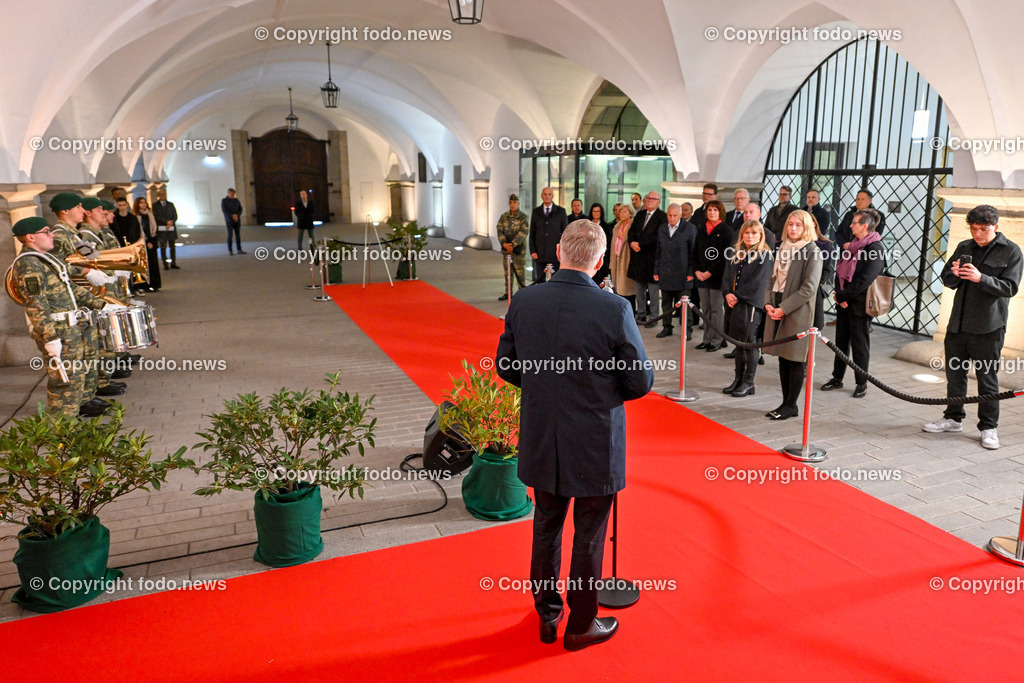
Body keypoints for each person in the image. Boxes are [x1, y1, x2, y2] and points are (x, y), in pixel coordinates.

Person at [495, 219, 654, 651]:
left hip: (543, 433)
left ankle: (548, 616)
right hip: (595, 441)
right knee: (588, 535)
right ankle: (580, 625)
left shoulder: (525, 300)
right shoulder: (614, 308)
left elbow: (506, 366)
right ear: (601, 260)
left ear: (560, 251)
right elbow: (639, 382)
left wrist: (547, 387)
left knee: (545, 528)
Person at [923, 205, 1023, 450]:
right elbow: (947, 280)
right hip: (958, 324)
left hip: (989, 327)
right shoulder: (964, 246)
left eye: (984, 229)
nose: (978, 233)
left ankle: (989, 427)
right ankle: (953, 418)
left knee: (986, 378)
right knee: (954, 375)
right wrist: (955, 274)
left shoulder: (1011, 251)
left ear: (996, 227)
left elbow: (1010, 288)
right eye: (974, 228)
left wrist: (981, 278)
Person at [6, 217, 112, 417]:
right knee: (65, 383)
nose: (51, 234)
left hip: (69, 328)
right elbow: (36, 305)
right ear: (30, 237)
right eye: (46, 231)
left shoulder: (45, 259)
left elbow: (70, 288)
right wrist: (50, 338)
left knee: (76, 377)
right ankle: (62, 430)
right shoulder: (29, 264)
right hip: (58, 331)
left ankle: (72, 422)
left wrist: (103, 304)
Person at [763, 209, 823, 420]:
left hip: (796, 309)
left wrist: (784, 308)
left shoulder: (812, 251)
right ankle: (785, 403)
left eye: (798, 225)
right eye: (791, 224)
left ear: (807, 228)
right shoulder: (782, 248)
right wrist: (768, 303)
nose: (794, 228)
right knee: (782, 356)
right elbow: (771, 278)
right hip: (777, 304)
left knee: (795, 358)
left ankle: (791, 405)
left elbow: (809, 288)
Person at [820, 209, 885, 398]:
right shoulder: (854, 244)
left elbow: (866, 279)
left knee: (859, 345)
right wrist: (840, 296)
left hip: (859, 304)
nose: (850, 225)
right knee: (840, 342)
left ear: (865, 226)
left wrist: (844, 296)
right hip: (844, 301)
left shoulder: (875, 248)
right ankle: (837, 378)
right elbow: (842, 272)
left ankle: (861, 382)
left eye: (854, 223)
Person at [722, 220, 774, 396]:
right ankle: (737, 379)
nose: (750, 236)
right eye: (746, 233)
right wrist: (727, 293)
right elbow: (727, 276)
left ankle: (748, 382)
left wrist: (736, 295)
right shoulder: (737, 253)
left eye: (754, 233)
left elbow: (758, 282)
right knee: (739, 343)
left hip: (751, 303)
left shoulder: (765, 255)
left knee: (750, 343)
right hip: (736, 302)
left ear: (760, 235)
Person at [692, 200, 732, 351]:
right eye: (710, 210)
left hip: (717, 277)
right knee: (706, 309)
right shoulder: (701, 229)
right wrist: (696, 270)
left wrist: (709, 272)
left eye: (715, 210)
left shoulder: (727, 231)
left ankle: (716, 340)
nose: (712, 212)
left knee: (716, 310)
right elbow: (695, 252)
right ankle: (706, 339)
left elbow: (724, 257)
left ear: (720, 212)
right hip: (701, 277)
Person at [653, 203, 696, 338]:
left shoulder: (689, 228)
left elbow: (693, 253)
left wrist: (691, 272)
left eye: (675, 216)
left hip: (683, 273)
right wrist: (656, 270)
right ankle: (667, 327)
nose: (672, 218)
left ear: (681, 215)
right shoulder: (662, 229)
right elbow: (658, 251)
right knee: (666, 303)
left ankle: (687, 330)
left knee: (684, 305)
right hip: (665, 272)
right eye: (669, 215)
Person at [626, 191, 667, 322]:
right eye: (648, 198)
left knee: (653, 291)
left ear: (658, 202)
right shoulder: (640, 214)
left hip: (651, 259)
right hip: (638, 259)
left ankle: (654, 316)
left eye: (653, 199)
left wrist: (640, 244)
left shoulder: (662, 217)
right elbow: (631, 231)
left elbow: (658, 237)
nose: (649, 200)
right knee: (639, 289)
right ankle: (641, 314)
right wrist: (632, 242)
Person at [528, 187, 567, 282]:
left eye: (549, 194)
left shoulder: (561, 211)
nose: (547, 196)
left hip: (555, 254)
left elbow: (565, 233)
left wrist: (563, 251)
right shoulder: (536, 212)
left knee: (556, 281)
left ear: (552, 196)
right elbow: (532, 233)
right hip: (540, 253)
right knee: (540, 281)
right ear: (542, 196)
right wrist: (533, 250)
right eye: (545, 194)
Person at [496, 193, 529, 299]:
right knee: (508, 272)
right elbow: (499, 230)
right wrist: (504, 243)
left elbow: (523, 232)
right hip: (506, 250)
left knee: (519, 272)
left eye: (514, 202)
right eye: (510, 202)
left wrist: (513, 245)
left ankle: (522, 292)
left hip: (518, 250)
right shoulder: (504, 216)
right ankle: (508, 292)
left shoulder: (523, 217)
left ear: (518, 203)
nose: (512, 204)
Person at [609, 203, 636, 310]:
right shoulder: (616, 226)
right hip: (616, 259)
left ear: (630, 213)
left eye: (625, 211)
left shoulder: (633, 225)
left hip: (627, 260)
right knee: (618, 289)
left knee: (628, 289)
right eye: (621, 212)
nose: (622, 214)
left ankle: (630, 311)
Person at [134, 197, 163, 293]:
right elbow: (139, 231)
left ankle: (155, 285)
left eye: (145, 203)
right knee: (144, 264)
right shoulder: (136, 216)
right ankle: (145, 285)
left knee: (153, 264)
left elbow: (155, 229)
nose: (144, 204)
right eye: (141, 203)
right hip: (143, 243)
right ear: (137, 204)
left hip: (152, 242)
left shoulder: (150, 214)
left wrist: (151, 241)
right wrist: (146, 242)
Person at [152, 188, 180, 269]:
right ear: (158, 196)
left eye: (164, 194)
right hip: (162, 229)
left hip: (171, 228)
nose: (163, 195)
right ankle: (165, 264)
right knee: (163, 246)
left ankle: (173, 263)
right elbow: (157, 216)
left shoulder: (170, 204)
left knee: (172, 246)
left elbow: (175, 215)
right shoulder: (155, 205)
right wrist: (166, 222)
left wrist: (171, 222)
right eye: (161, 194)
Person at [589, 202, 613, 285]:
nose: (596, 213)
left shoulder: (606, 226)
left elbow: (608, 243)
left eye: (598, 211)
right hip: (588, 256)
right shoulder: (587, 224)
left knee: (600, 281)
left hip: (601, 257)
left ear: (601, 213)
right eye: (594, 211)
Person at [221, 188, 245, 255]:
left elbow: (240, 208)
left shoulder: (236, 200)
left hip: (237, 220)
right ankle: (230, 250)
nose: (233, 195)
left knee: (238, 235)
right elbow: (224, 210)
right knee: (230, 235)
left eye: (234, 194)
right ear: (228, 193)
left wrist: (237, 215)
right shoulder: (224, 201)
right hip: (229, 220)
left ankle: (239, 249)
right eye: (231, 194)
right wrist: (232, 216)